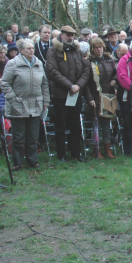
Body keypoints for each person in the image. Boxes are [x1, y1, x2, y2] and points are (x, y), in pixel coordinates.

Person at [0, 38, 50, 169]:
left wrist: (45, 101)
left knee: (33, 136)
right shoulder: (13, 64)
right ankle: (17, 162)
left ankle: (33, 161)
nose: (31, 50)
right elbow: (4, 83)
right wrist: (13, 99)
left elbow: (44, 84)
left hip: (35, 104)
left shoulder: (38, 63)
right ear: (21, 51)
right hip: (18, 104)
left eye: (32, 48)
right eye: (28, 48)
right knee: (18, 137)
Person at [45, 25, 92, 162]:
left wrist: (78, 85)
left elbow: (86, 70)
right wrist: (69, 85)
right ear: (62, 35)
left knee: (75, 124)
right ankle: (61, 154)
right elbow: (52, 71)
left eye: (72, 35)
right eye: (68, 35)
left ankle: (76, 153)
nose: (70, 38)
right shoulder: (53, 51)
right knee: (60, 125)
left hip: (75, 94)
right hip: (60, 94)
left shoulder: (76, 51)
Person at [88, 37, 117, 159]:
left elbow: (116, 72)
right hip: (95, 97)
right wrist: (90, 98)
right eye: (95, 47)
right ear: (92, 49)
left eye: (99, 47)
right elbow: (86, 83)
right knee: (96, 125)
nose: (98, 49)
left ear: (103, 47)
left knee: (106, 124)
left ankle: (108, 149)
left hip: (108, 96)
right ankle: (97, 150)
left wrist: (114, 80)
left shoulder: (109, 60)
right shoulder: (89, 63)